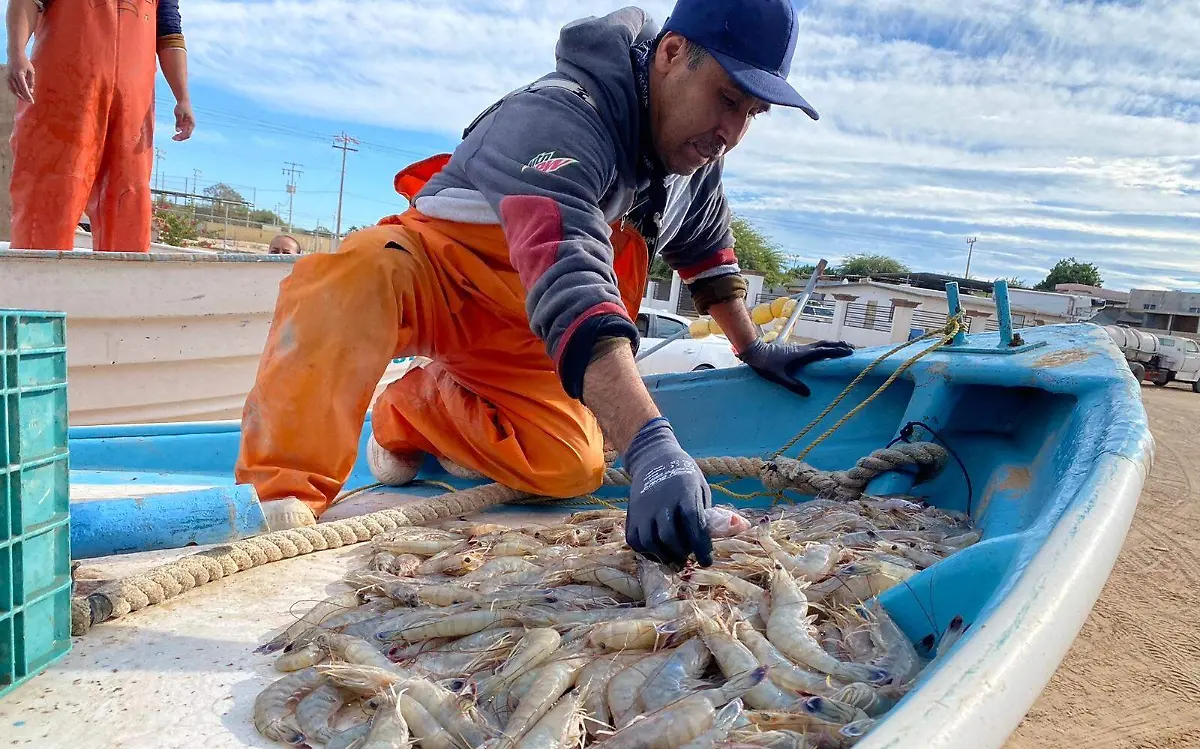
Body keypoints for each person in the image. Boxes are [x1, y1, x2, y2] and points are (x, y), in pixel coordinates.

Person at [235, 0, 853, 567]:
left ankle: (412, 410)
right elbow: (571, 274)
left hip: (529, 337)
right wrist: (649, 447)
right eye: (727, 98)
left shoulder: (694, 164)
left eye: (751, 114)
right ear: (671, 54)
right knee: (355, 276)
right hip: (439, 281)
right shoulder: (560, 115)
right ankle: (278, 496)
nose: (732, 132)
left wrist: (753, 347)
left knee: (570, 466)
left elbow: (708, 259)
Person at [6, 0, 196, 253]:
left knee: (128, 196)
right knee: (51, 190)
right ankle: (36, 273)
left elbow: (169, 31)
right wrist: (17, 52)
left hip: (133, 102)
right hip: (62, 89)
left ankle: (122, 276)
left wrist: (182, 97)